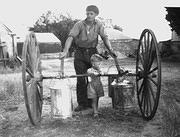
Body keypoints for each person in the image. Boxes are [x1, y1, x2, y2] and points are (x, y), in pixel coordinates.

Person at [59, 5, 116, 112]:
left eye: (91, 14)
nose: (89, 15)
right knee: (81, 79)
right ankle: (82, 104)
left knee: (93, 78)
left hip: (92, 53)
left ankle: (92, 103)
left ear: (96, 15)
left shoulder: (99, 24)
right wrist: (65, 51)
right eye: (87, 13)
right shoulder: (79, 25)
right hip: (80, 53)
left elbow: (105, 37)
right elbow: (70, 37)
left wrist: (111, 49)